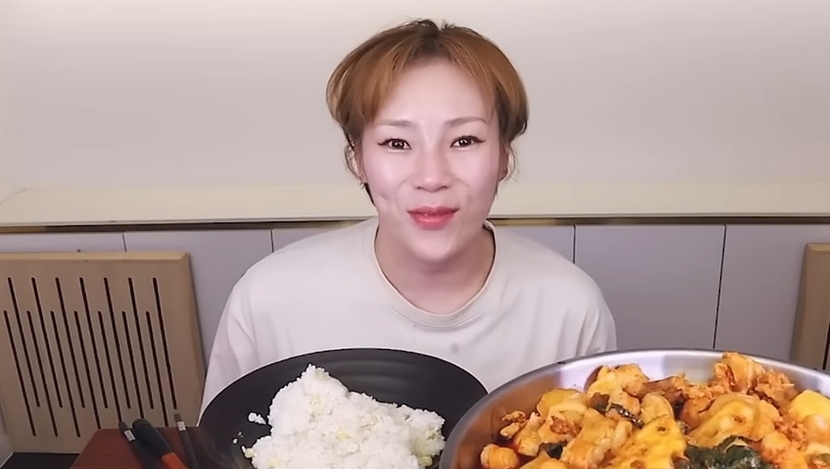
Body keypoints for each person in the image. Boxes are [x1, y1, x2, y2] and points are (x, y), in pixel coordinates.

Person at [199, 18, 616, 415]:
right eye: (397, 143)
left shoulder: (570, 308)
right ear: (357, 159)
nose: (431, 177)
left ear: (504, 156)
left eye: (465, 140)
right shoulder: (268, 301)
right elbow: (220, 446)